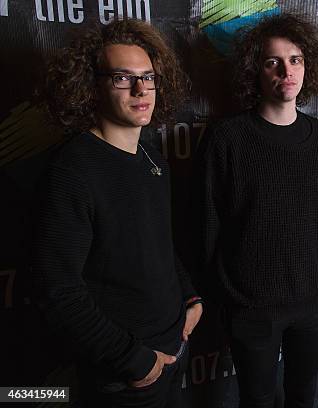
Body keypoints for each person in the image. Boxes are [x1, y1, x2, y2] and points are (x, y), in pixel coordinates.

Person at [33, 18, 202, 408]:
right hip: (127, 377)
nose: (141, 89)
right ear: (92, 85)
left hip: (175, 352)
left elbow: (157, 243)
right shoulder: (73, 169)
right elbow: (57, 288)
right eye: (123, 78)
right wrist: (135, 361)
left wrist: (190, 295)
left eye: (149, 77)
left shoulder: (152, 159)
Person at [192, 14, 318, 408]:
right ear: (255, 71)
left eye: (296, 60)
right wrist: (229, 297)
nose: (286, 70)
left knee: (302, 397)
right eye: (273, 61)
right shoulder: (228, 139)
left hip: (312, 303)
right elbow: (207, 225)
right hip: (251, 308)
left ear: (308, 68)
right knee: (256, 400)